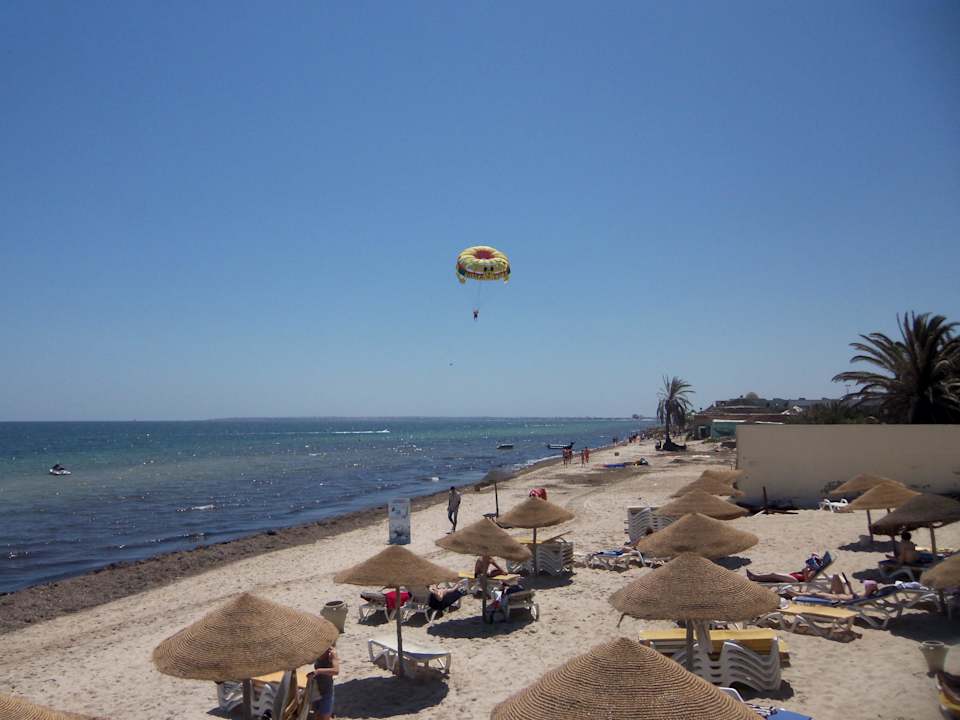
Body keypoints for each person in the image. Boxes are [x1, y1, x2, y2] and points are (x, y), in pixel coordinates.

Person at [745, 554, 825, 583]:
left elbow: (807, 581)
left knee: (774, 574)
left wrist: (805, 571)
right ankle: (757, 578)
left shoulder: (815, 569)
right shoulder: (816, 564)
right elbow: (814, 553)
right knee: (773, 579)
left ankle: (755, 577)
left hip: (796, 580)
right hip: (795, 576)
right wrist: (816, 557)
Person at [309, 645, 340, 720]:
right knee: (317, 715)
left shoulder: (332, 653)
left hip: (327, 690)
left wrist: (318, 671)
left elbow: (336, 671)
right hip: (317, 689)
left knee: (324, 716)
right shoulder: (318, 650)